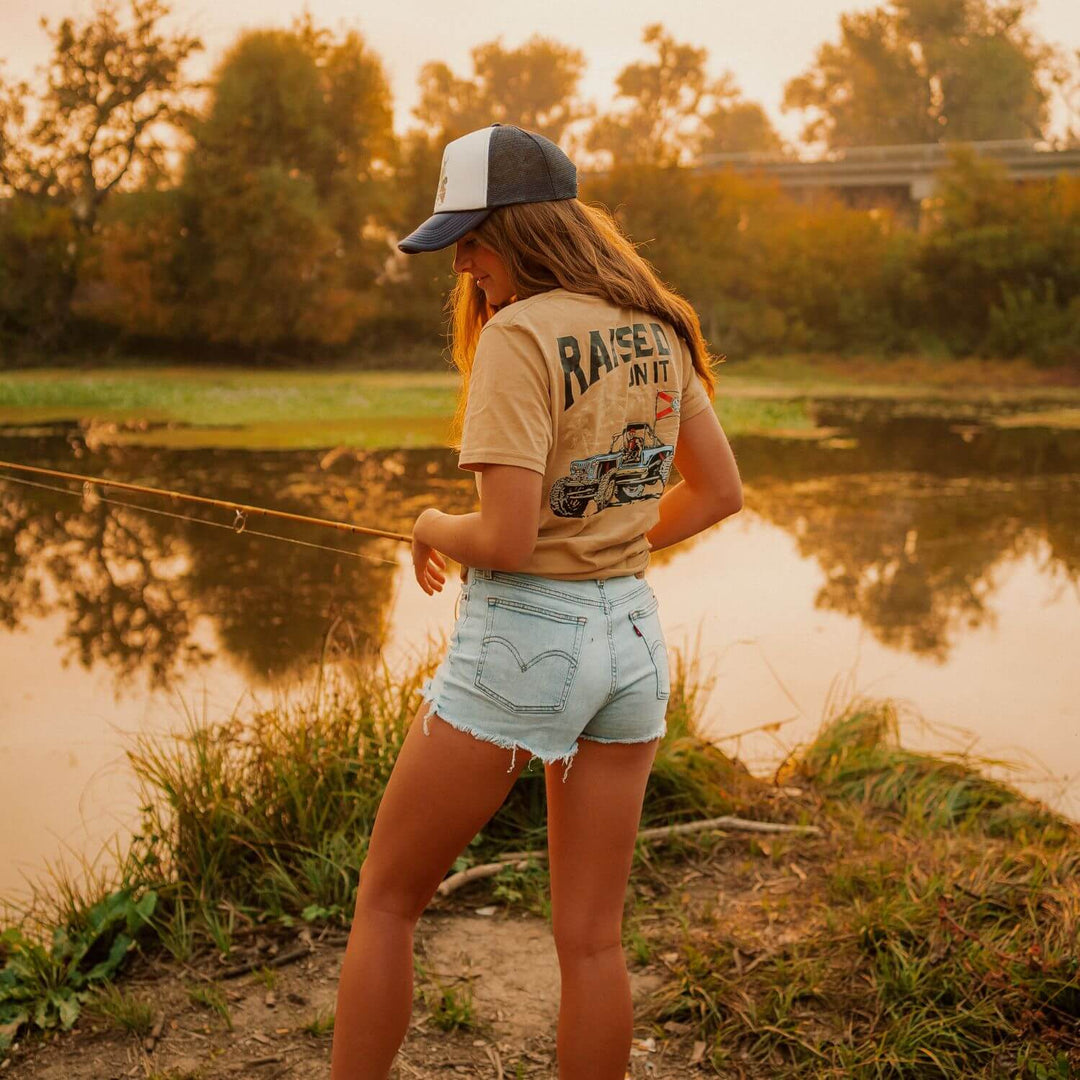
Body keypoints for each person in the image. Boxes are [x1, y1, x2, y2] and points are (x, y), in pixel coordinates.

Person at [330, 123, 743, 1080]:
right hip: (634, 640)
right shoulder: (657, 325)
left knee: (387, 899)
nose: (465, 264)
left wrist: (430, 523)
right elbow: (719, 493)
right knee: (592, 940)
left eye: (473, 239)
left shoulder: (519, 337)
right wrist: (608, 546)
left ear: (524, 230)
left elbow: (508, 541)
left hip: (527, 640)